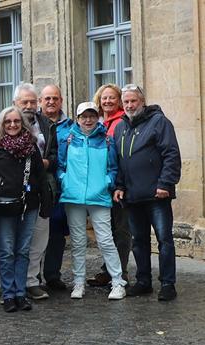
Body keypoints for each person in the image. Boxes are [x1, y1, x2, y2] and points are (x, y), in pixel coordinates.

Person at [113, 84, 181, 301]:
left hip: (157, 194)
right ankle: (143, 281)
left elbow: (171, 154)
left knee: (164, 240)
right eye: (126, 102)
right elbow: (120, 161)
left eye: (134, 101)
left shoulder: (159, 122)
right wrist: (119, 186)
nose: (130, 105)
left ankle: (168, 284)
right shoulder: (120, 128)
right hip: (132, 196)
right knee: (139, 241)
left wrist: (165, 183)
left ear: (142, 101)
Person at [0, 106, 52, 313]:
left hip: (28, 205)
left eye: (16, 121)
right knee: (6, 251)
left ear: (23, 124)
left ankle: (21, 293)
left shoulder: (30, 146)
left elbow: (40, 176)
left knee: (23, 251)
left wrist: (45, 203)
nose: (12, 125)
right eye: (8, 122)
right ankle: (8, 294)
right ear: (1, 124)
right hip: (3, 205)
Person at [57, 102, 126, 301]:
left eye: (92, 116)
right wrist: (65, 181)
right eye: (83, 116)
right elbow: (60, 166)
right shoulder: (68, 139)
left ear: (97, 117)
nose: (88, 120)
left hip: (99, 196)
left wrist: (106, 183)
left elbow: (113, 168)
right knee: (78, 242)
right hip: (73, 197)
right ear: (77, 119)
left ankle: (118, 281)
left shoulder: (106, 140)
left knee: (105, 241)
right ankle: (79, 282)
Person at [13, 83, 58, 301]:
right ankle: (12, 284)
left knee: (39, 237)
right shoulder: (7, 123)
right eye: (25, 102)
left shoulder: (47, 125)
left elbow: (57, 154)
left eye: (32, 101)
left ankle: (31, 281)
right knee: (14, 240)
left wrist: (47, 163)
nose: (29, 106)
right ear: (15, 104)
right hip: (14, 191)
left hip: (41, 188)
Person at [88, 84, 131, 287]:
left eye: (112, 98)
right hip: (101, 185)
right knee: (107, 230)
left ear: (119, 100)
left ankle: (120, 272)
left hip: (119, 184)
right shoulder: (98, 123)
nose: (107, 101)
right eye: (104, 98)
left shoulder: (123, 121)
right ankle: (108, 269)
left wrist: (119, 183)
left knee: (121, 230)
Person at [38, 84, 75, 292]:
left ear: (61, 100)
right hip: (38, 184)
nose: (51, 102)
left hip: (62, 186)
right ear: (40, 102)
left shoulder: (71, 126)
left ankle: (52, 274)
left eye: (55, 98)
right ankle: (33, 276)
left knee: (57, 232)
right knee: (34, 233)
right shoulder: (33, 124)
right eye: (47, 98)